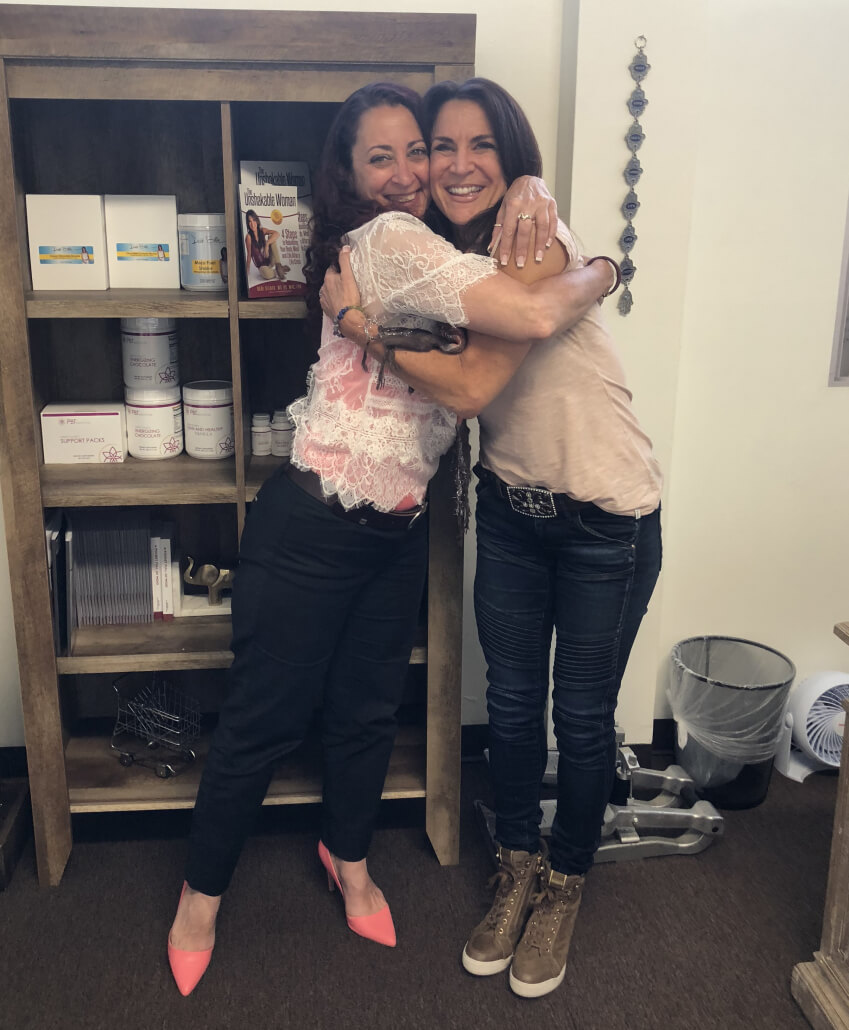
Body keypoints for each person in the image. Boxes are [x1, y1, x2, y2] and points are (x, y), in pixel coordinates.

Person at [166, 81, 613, 997]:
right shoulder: (387, 239)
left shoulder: (458, 254)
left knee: (368, 712)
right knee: (261, 721)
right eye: (384, 157)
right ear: (349, 174)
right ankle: (198, 899)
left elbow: (493, 328)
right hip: (311, 527)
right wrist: (607, 268)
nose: (411, 172)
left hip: (398, 532)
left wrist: (541, 196)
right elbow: (514, 332)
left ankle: (350, 861)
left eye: (420, 150)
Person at [322, 77, 662, 1000]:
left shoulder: (529, 237)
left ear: (512, 161)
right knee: (510, 711)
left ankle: (563, 882)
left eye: (481, 146)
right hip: (512, 512)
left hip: (606, 519)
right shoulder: (444, 254)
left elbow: (472, 385)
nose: (455, 164)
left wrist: (356, 326)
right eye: (441, 145)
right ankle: (516, 866)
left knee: (578, 719)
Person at [244, 208, 285, 281]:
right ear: (248, 223)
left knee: (271, 237)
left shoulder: (262, 230)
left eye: (254, 220)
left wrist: (267, 244)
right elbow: (249, 255)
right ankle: (278, 271)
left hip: (270, 260)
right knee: (266, 274)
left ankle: (278, 266)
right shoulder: (248, 237)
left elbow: (277, 233)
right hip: (262, 266)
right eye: (250, 221)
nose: (252, 224)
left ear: (257, 220)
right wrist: (247, 271)